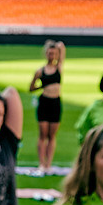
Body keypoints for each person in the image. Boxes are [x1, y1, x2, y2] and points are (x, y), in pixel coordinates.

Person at [29, 41, 64, 173]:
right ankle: (41, 163)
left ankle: (48, 164)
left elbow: (62, 48)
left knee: (52, 135)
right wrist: (42, 86)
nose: (51, 55)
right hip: (44, 102)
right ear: (46, 54)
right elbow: (31, 88)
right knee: (42, 134)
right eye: (49, 53)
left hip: (56, 102)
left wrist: (57, 45)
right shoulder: (40, 71)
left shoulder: (59, 68)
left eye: (54, 53)